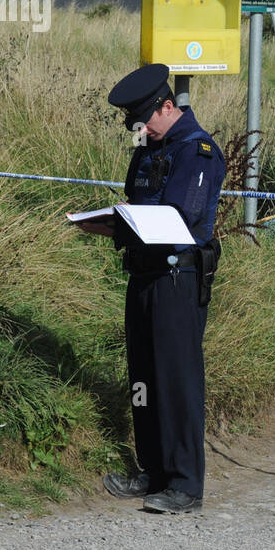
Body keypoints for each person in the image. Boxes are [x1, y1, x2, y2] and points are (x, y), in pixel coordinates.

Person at [75, 63, 226, 514]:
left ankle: (184, 484)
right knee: (143, 374)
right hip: (143, 272)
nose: (139, 132)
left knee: (175, 379)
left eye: (144, 122)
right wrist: (112, 223)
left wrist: (129, 223)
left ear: (166, 106)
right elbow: (138, 204)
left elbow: (180, 222)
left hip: (177, 277)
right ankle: (153, 471)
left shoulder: (196, 151)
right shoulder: (149, 146)